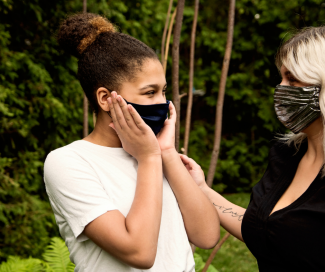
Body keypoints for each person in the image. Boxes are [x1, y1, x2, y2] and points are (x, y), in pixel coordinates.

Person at [43, 13, 219, 272]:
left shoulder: (159, 154)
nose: (163, 103)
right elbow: (139, 252)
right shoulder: (68, 162)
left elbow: (206, 236)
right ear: (105, 99)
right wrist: (149, 158)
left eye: (163, 91)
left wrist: (167, 153)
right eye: (150, 92)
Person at [180, 26, 325, 272]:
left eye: (291, 78)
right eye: (280, 78)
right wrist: (202, 189)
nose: (280, 89)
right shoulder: (287, 154)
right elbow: (266, 230)